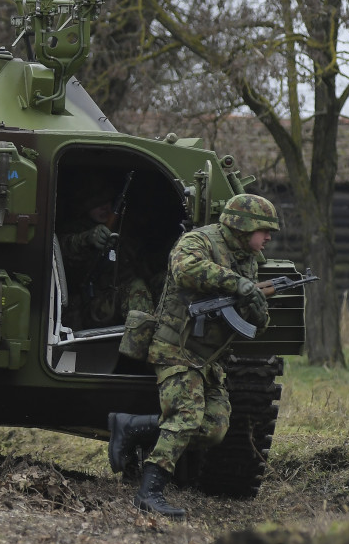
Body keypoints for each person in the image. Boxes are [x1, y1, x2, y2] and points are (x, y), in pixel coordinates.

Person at [106, 193, 279, 517]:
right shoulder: (199, 241)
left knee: (213, 427)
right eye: (265, 229)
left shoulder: (248, 260)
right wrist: (238, 285)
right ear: (244, 225)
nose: (269, 237)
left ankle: (132, 427)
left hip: (207, 360)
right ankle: (149, 493)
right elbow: (185, 270)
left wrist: (257, 311)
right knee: (184, 419)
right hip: (176, 348)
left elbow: (253, 319)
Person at [57, 174, 156, 329]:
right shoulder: (76, 229)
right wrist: (87, 239)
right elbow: (65, 246)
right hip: (90, 305)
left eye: (107, 202)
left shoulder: (124, 227)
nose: (105, 208)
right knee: (137, 288)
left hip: (121, 298)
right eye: (97, 204)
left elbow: (142, 263)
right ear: (85, 207)